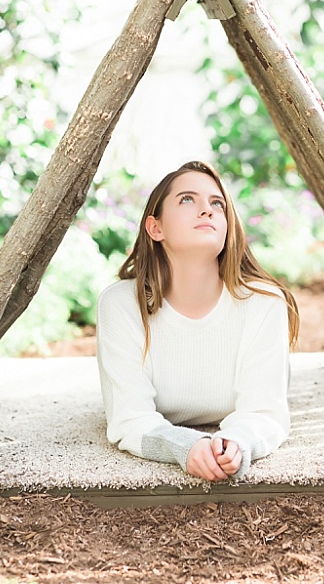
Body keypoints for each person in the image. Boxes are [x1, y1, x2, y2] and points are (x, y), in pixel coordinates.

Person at [96, 160, 300, 481]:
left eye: (217, 204)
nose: (207, 210)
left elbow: (266, 413)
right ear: (156, 228)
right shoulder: (121, 305)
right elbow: (128, 418)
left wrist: (238, 442)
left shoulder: (265, 303)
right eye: (187, 199)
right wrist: (185, 446)